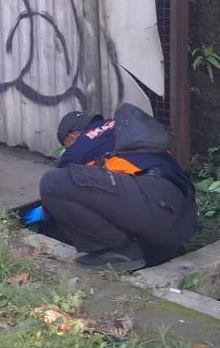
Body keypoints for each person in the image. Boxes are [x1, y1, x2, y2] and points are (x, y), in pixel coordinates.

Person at [35, 105, 198, 271]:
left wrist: (38, 216)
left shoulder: (78, 147)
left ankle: (117, 252)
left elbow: (56, 199)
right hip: (185, 217)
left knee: (52, 183)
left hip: (151, 207)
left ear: (71, 139)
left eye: (66, 146)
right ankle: (161, 251)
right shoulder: (125, 127)